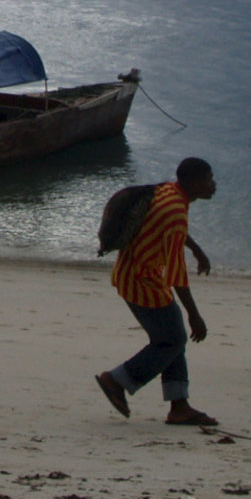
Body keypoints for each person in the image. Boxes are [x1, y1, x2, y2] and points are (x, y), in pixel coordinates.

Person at [94, 156, 217, 425]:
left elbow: (172, 231)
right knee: (171, 341)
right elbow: (177, 275)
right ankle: (116, 380)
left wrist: (195, 249)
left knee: (172, 339)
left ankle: (179, 406)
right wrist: (195, 315)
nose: (213, 185)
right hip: (142, 283)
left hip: (131, 273)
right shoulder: (176, 213)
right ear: (195, 183)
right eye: (209, 180)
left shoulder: (169, 191)